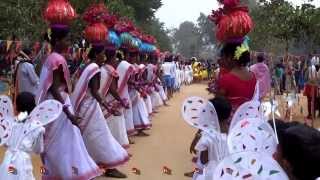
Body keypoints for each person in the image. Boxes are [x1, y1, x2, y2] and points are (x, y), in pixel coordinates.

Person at [37, 1, 101, 178]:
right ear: (57, 40)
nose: (67, 43)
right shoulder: (57, 60)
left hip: (54, 106)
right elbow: (56, 90)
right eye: (65, 39)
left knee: (61, 145)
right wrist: (69, 113)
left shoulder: (51, 58)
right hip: (60, 107)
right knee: (65, 144)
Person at [0, 93, 44, 180]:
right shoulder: (37, 127)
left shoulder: (10, 123)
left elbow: (5, 142)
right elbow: (38, 149)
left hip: (8, 162)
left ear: (16, 107)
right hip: (23, 163)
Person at [185, 96, 232, 179]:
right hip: (227, 171)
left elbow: (203, 161)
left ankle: (195, 173)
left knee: (199, 167)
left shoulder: (207, 136)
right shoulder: (233, 132)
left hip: (210, 173)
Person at [215, 42, 257, 123]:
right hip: (248, 121)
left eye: (223, 57)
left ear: (230, 58)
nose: (222, 61)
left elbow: (219, 106)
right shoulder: (253, 76)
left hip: (231, 123)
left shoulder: (226, 79)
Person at [100, 48, 130, 149]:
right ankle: (117, 147)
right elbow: (113, 90)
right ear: (113, 58)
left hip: (103, 99)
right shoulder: (111, 71)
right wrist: (121, 101)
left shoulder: (102, 68)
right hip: (110, 100)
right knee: (116, 124)